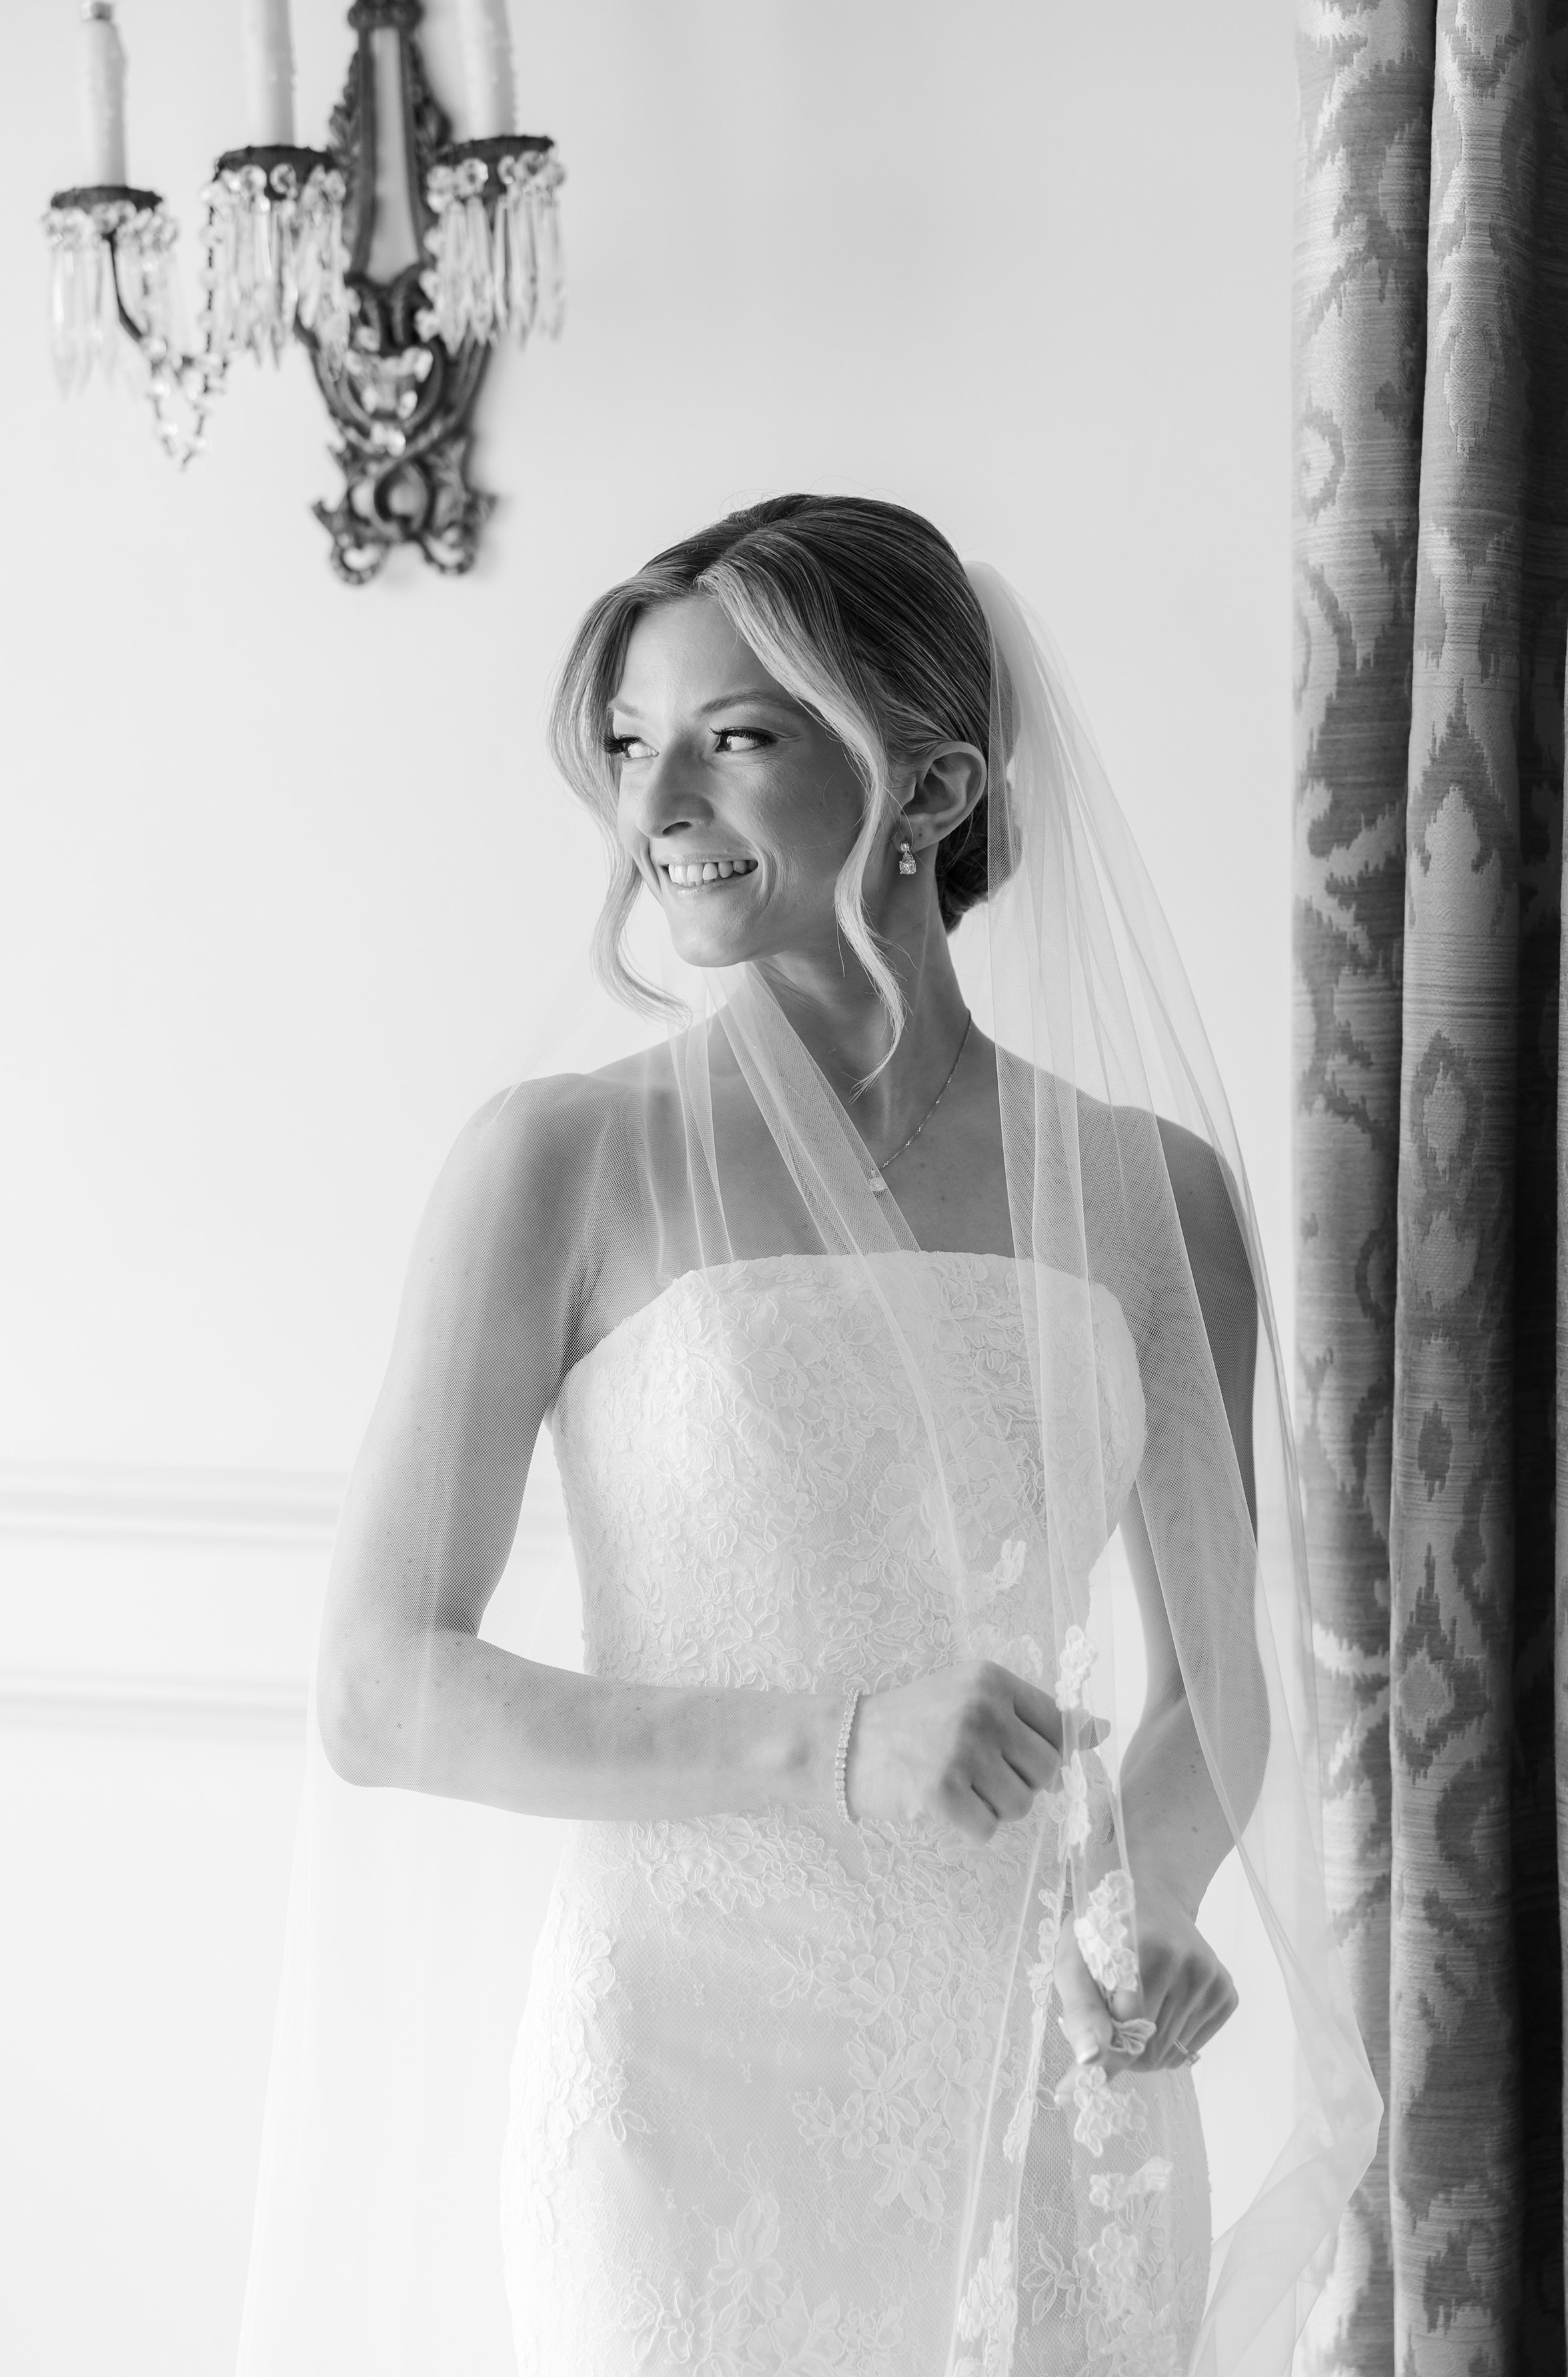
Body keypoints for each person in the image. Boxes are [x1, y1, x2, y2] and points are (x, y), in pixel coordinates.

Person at [259, 496, 1378, 2377]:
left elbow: (1215, 1681)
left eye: (736, 735)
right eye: (632, 742)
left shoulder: (1153, 1194)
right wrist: (836, 1746)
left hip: (1043, 2085)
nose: (655, 801)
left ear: (931, 789)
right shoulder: (560, 1161)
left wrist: (1145, 1898)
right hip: (683, 2098)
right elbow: (380, 1693)